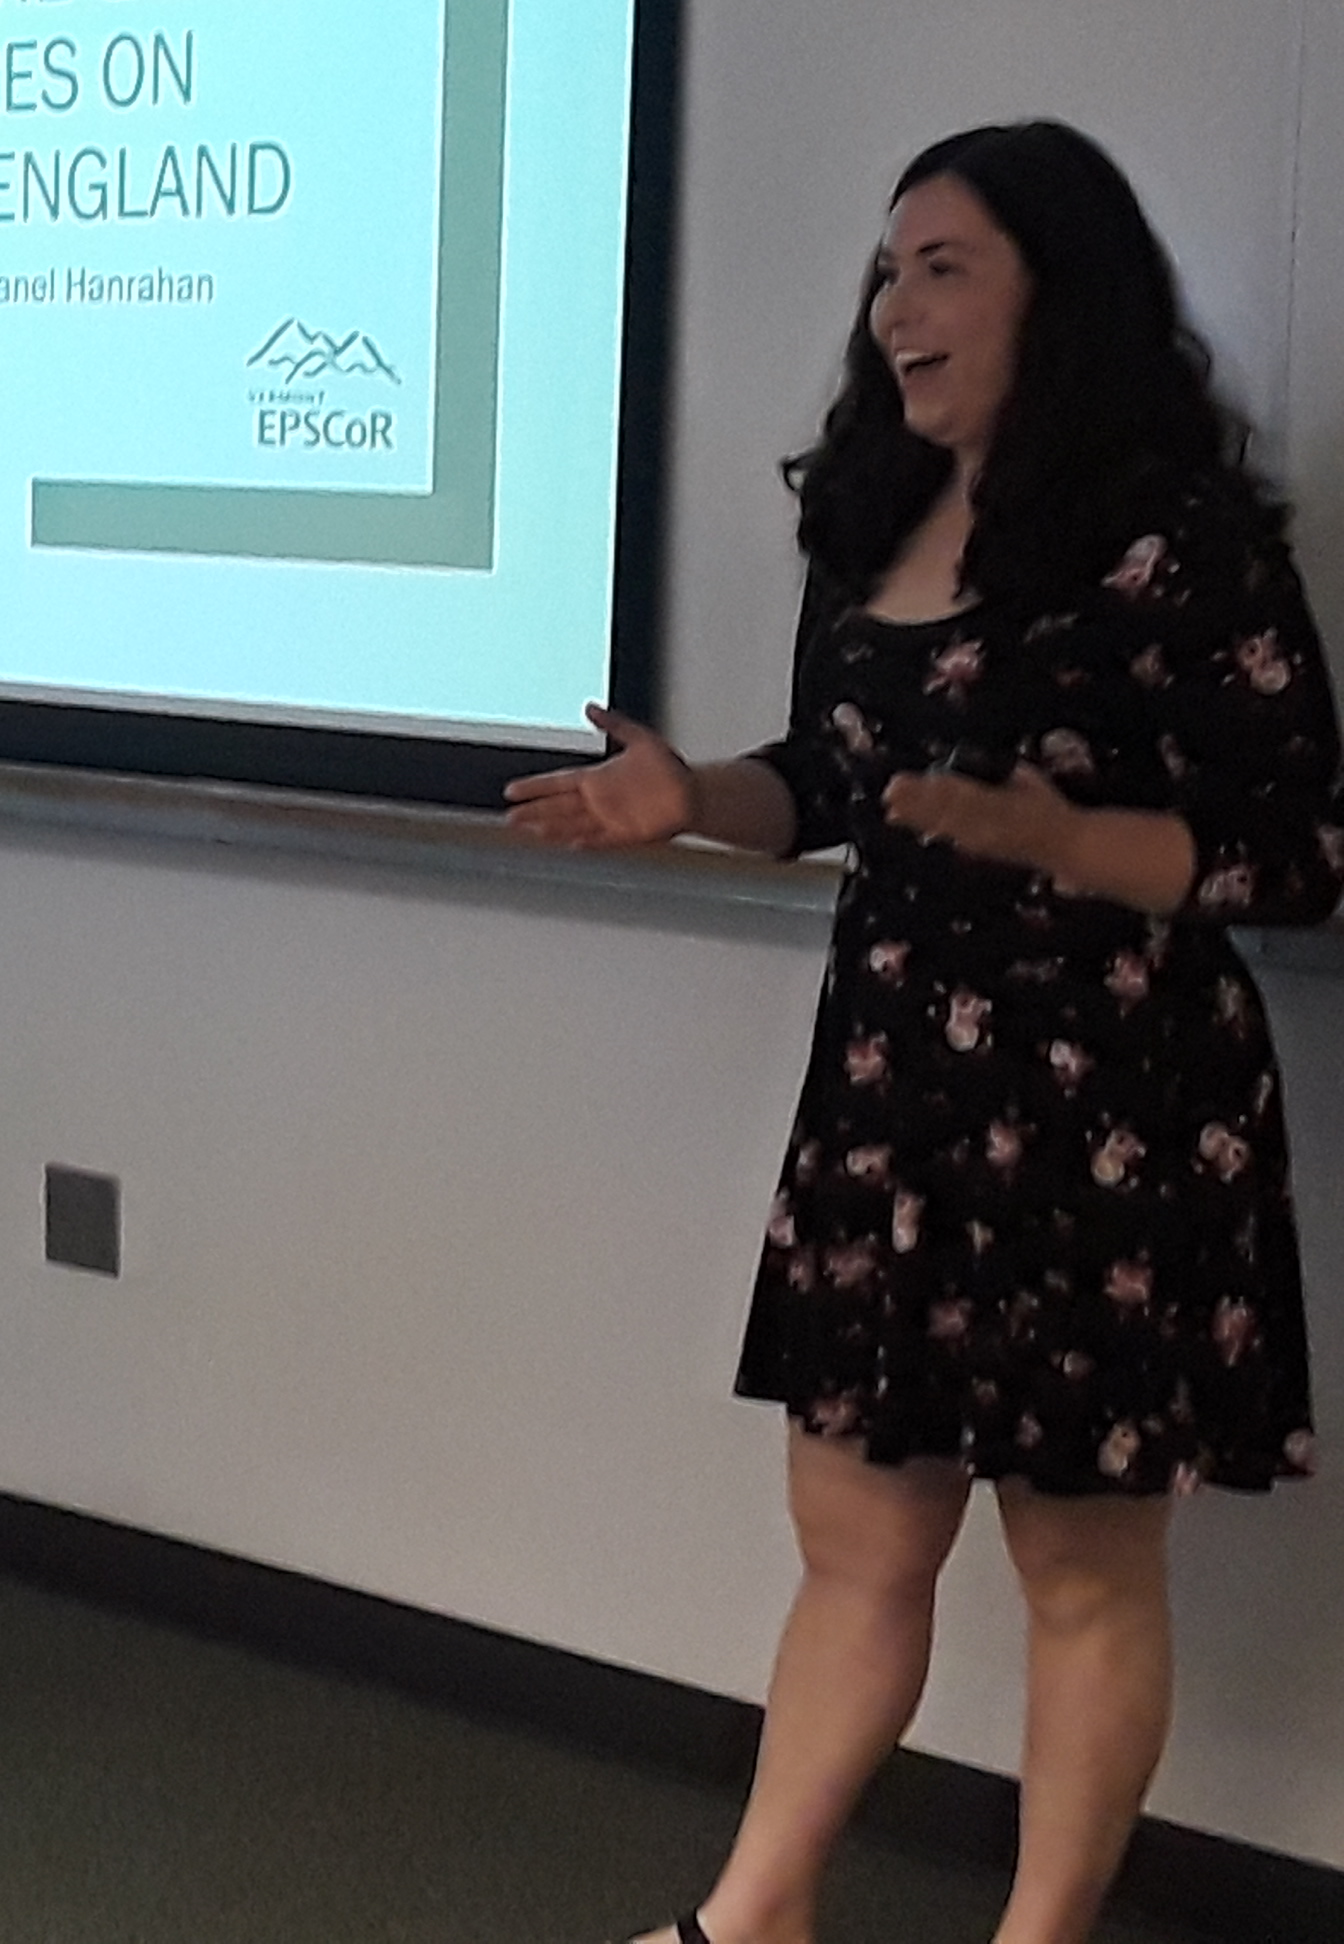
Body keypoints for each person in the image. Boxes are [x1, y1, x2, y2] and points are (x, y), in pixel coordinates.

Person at [507, 123, 1336, 1944]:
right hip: (896, 1098)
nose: (896, 305)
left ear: (1063, 288)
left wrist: (1071, 844)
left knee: (1078, 1573)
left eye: (943, 265)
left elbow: (1294, 846)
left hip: (1111, 1106)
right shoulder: (874, 517)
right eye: (887, 270)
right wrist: (692, 798)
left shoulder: (1176, 539)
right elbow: (827, 775)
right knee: (854, 1542)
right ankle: (754, 1917)